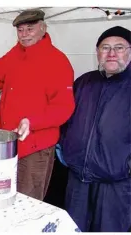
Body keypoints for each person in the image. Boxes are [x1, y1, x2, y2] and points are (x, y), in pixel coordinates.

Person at [0, 9, 75, 200]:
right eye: (20, 30)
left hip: (34, 148)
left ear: (43, 28)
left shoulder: (58, 61)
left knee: (28, 202)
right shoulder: (15, 53)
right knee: (3, 197)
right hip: (7, 144)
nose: (24, 34)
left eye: (30, 28)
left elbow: (64, 108)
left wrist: (32, 122)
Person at [59, 26, 131, 232]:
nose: (111, 53)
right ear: (97, 52)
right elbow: (66, 118)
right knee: (73, 228)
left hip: (116, 182)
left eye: (119, 47)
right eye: (105, 47)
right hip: (78, 179)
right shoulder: (84, 82)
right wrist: (66, 149)